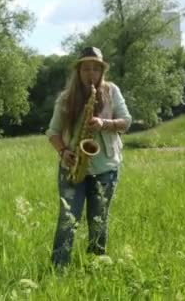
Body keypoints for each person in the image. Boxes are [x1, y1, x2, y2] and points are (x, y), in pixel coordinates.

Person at [46, 46, 132, 268]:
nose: (91, 74)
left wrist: (105, 123)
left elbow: (126, 121)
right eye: (86, 69)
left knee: (98, 223)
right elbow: (52, 132)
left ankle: (96, 267)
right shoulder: (65, 98)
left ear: (102, 71)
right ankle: (59, 269)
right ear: (78, 71)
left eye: (95, 69)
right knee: (67, 222)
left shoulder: (112, 91)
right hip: (72, 167)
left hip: (105, 169)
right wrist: (64, 152)